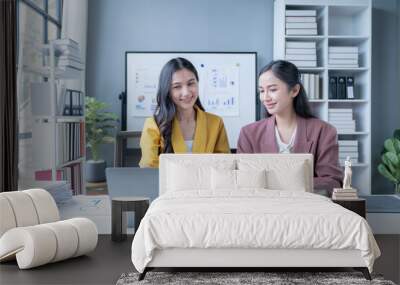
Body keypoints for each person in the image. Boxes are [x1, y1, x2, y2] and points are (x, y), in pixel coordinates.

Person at [237, 60, 342, 194]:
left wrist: (280, 183)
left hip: (308, 208)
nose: (265, 97)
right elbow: (243, 181)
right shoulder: (249, 133)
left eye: (273, 90)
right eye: (262, 91)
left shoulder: (324, 131)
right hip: (263, 208)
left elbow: (332, 181)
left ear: (294, 90)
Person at [139, 57, 230, 168]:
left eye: (191, 84)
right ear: (167, 91)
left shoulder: (216, 122)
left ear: (197, 83)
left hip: (207, 185)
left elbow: (224, 166)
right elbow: (149, 170)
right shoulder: (154, 124)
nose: (186, 92)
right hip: (167, 185)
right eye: (177, 87)